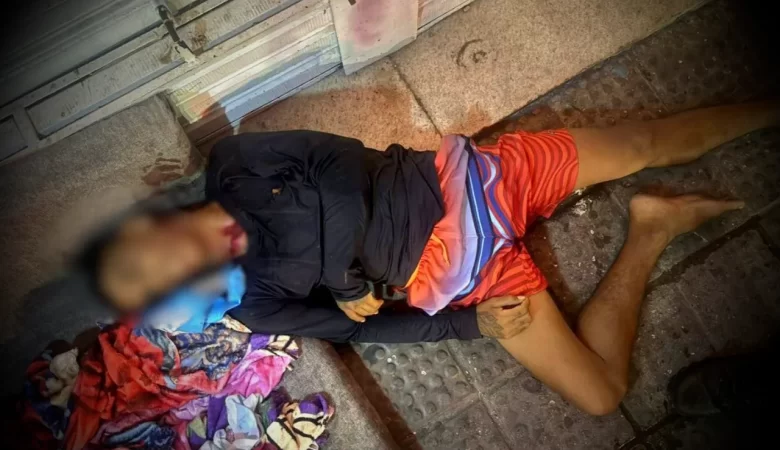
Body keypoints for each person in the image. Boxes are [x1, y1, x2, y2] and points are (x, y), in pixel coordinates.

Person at [88, 101, 779, 415]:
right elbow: (361, 329)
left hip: (476, 182)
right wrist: (471, 325)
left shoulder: (236, 163)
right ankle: (651, 230)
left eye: (139, 262)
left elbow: (340, 165)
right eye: (150, 289)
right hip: (470, 276)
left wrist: (342, 278)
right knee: (603, 396)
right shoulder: (253, 300)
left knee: (643, 144)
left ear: (144, 228)